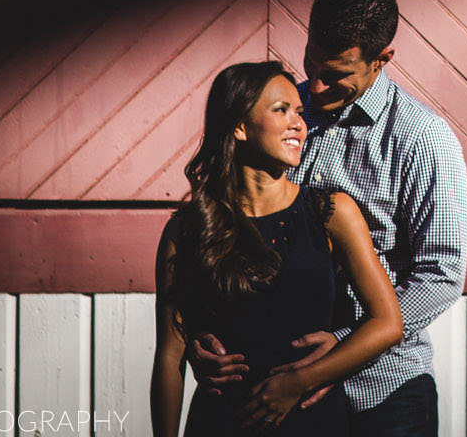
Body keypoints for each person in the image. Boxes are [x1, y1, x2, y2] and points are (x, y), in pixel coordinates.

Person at [189, 0, 467, 437]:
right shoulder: (279, 113)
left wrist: (340, 350)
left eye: (336, 74)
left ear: (383, 60)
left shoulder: (423, 141)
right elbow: (232, 222)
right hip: (279, 396)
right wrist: (204, 332)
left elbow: (440, 275)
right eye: (310, 64)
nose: (314, 88)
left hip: (383, 395)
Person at [151, 62, 404, 437]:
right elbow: (170, 355)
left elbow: (387, 323)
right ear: (239, 127)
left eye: (299, 113)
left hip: (313, 423)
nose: (298, 124)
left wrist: (301, 381)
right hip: (223, 424)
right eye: (281, 110)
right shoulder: (188, 228)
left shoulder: (332, 212)